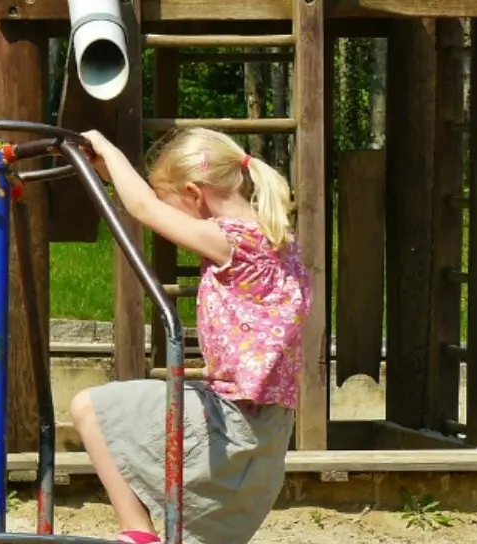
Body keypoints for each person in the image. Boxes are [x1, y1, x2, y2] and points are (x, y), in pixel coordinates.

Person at [72, 127, 311, 544]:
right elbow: (150, 200)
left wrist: (110, 148)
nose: (173, 218)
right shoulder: (276, 241)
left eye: (174, 204)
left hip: (232, 423)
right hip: (268, 429)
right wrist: (111, 172)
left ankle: (137, 532)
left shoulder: (231, 243)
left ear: (195, 194)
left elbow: (144, 207)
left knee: (90, 408)